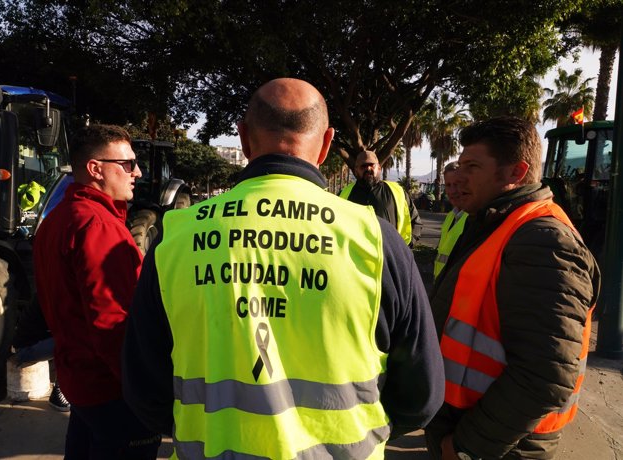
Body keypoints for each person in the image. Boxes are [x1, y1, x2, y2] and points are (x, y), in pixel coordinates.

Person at [122, 78, 444, 459]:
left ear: (243, 139)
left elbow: (144, 389)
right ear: (326, 144)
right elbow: (420, 397)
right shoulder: (376, 241)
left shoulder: (175, 238)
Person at [425, 116, 600, 460]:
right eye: (459, 165)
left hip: (501, 445)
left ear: (516, 173)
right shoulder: (496, 224)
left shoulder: (543, 241)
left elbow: (545, 374)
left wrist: (465, 447)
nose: (457, 177)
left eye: (472, 166)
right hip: (475, 430)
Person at [33, 124, 161, 459]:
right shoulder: (98, 227)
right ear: (95, 169)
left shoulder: (59, 218)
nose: (138, 172)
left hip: (81, 382)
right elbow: (113, 323)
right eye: (128, 164)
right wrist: (144, 392)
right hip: (112, 391)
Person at [340, 150, 423, 247]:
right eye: (363, 166)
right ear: (356, 170)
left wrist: (404, 249)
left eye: (372, 165)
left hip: (389, 258)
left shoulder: (396, 192)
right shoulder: (344, 195)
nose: (368, 168)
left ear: (379, 168)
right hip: (355, 257)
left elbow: (416, 222)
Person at [9, 297, 70, 412]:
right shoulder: (55, 297)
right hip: (25, 349)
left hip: (36, 343)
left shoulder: (51, 291)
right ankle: (59, 392)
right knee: (70, 341)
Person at [433, 161, 467, 279]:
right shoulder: (450, 216)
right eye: (448, 185)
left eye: (457, 184)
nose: (452, 191)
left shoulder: (475, 218)